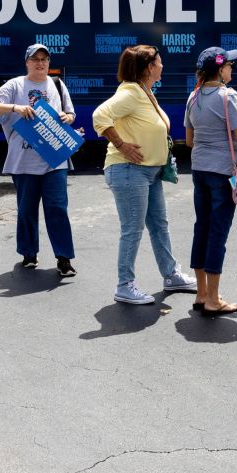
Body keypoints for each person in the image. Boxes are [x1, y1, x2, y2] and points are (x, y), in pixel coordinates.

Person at [91, 45, 196, 305]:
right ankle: (124, 285)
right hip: (129, 171)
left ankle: (171, 275)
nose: (162, 66)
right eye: (159, 62)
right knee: (133, 230)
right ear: (149, 67)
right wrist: (121, 145)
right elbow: (100, 115)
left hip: (149, 172)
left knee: (159, 225)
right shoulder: (130, 92)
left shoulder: (144, 92)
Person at [184, 46, 237, 316]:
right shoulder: (228, 96)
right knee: (218, 232)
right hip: (222, 172)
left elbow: (191, 140)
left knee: (202, 228)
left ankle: (201, 293)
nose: (232, 69)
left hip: (199, 169)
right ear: (220, 69)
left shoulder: (193, 97)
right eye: (230, 65)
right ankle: (214, 300)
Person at [0, 43, 77, 276]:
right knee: (26, 209)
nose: (40, 63)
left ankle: (64, 258)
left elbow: (71, 114)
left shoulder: (57, 84)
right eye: (35, 59)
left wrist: (68, 117)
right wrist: (16, 107)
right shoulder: (15, 85)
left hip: (54, 159)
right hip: (23, 161)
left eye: (44, 59)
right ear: (27, 62)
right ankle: (29, 254)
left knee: (57, 208)